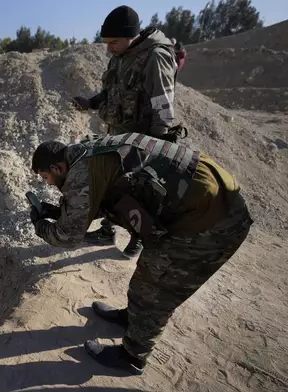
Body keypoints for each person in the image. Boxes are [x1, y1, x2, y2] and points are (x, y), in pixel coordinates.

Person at [28, 133, 253, 375]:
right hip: (205, 204)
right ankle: (133, 320)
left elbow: (68, 236)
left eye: (46, 177)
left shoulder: (80, 173)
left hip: (210, 225)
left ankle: (132, 356)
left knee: (154, 291)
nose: (48, 183)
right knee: (146, 282)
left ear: (57, 167)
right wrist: (59, 211)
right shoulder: (90, 152)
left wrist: (41, 225)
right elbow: (104, 197)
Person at [71, 6, 181, 258]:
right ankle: (107, 230)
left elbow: (164, 106)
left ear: (131, 35)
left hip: (142, 139)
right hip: (116, 133)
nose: (109, 48)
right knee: (111, 184)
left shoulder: (155, 56)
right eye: (106, 42)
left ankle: (139, 237)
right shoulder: (121, 55)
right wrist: (91, 102)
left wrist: (154, 146)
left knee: (138, 190)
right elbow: (112, 92)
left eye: (113, 42)